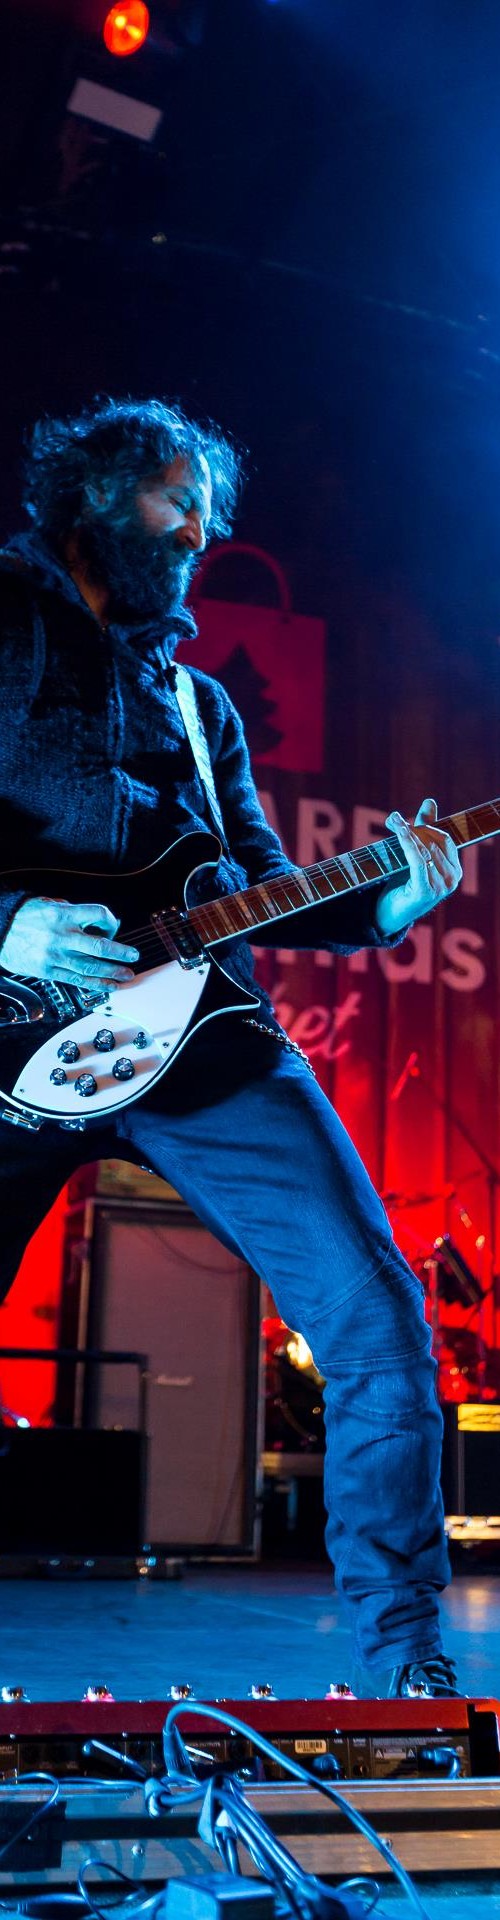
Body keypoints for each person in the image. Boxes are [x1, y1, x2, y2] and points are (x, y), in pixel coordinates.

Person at [0, 397, 463, 1698]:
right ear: (97, 494)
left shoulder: (203, 706)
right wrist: (12, 922)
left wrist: (386, 906)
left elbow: (257, 880)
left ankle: (405, 1663)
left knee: (374, 1314)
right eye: (176, 501)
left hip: (204, 1039)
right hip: (10, 1035)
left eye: (208, 511)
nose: (200, 531)